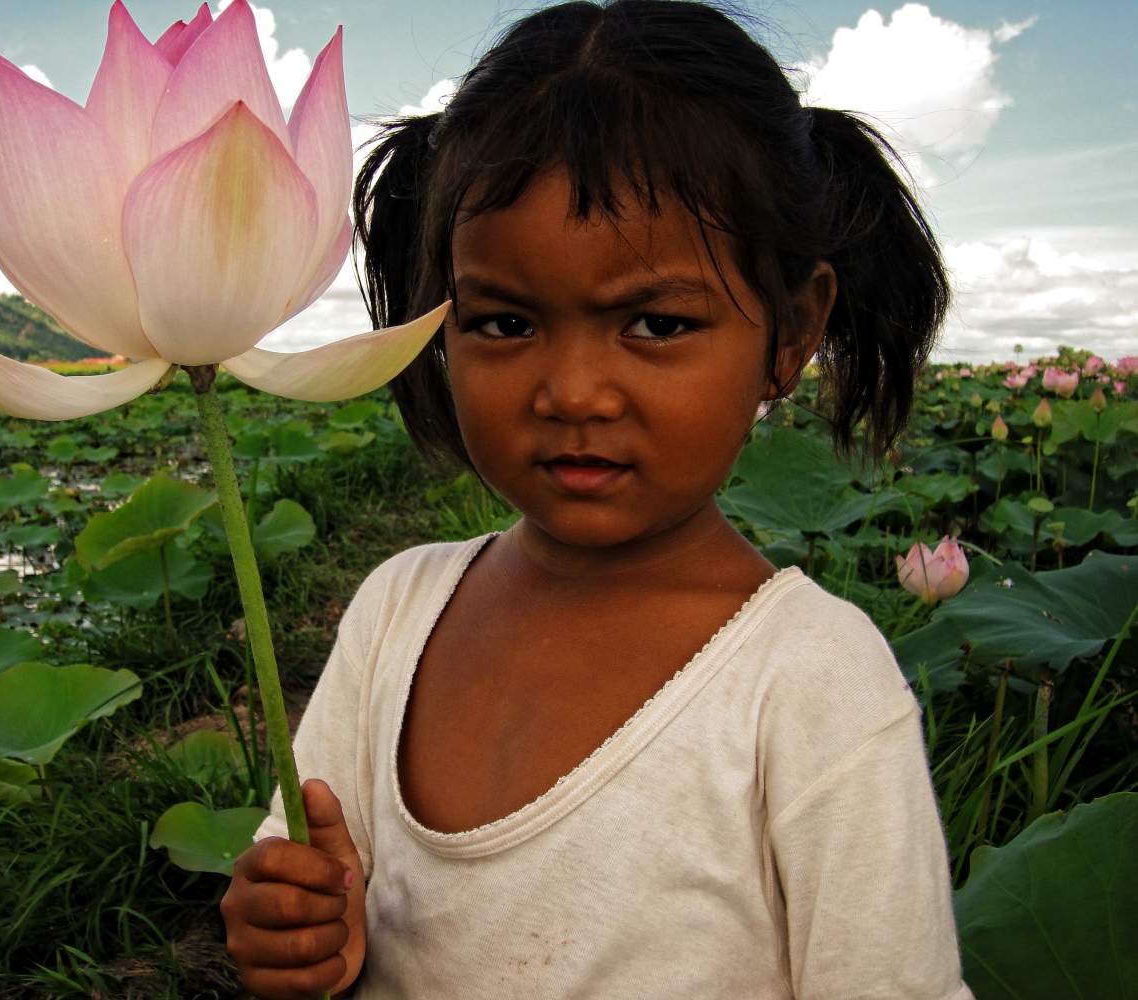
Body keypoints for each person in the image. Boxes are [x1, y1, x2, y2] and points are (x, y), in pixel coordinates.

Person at [220, 1, 973, 997]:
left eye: (654, 323)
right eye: (501, 322)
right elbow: (306, 869)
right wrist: (292, 930)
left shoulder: (811, 683)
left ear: (790, 333)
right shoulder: (395, 609)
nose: (570, 391)